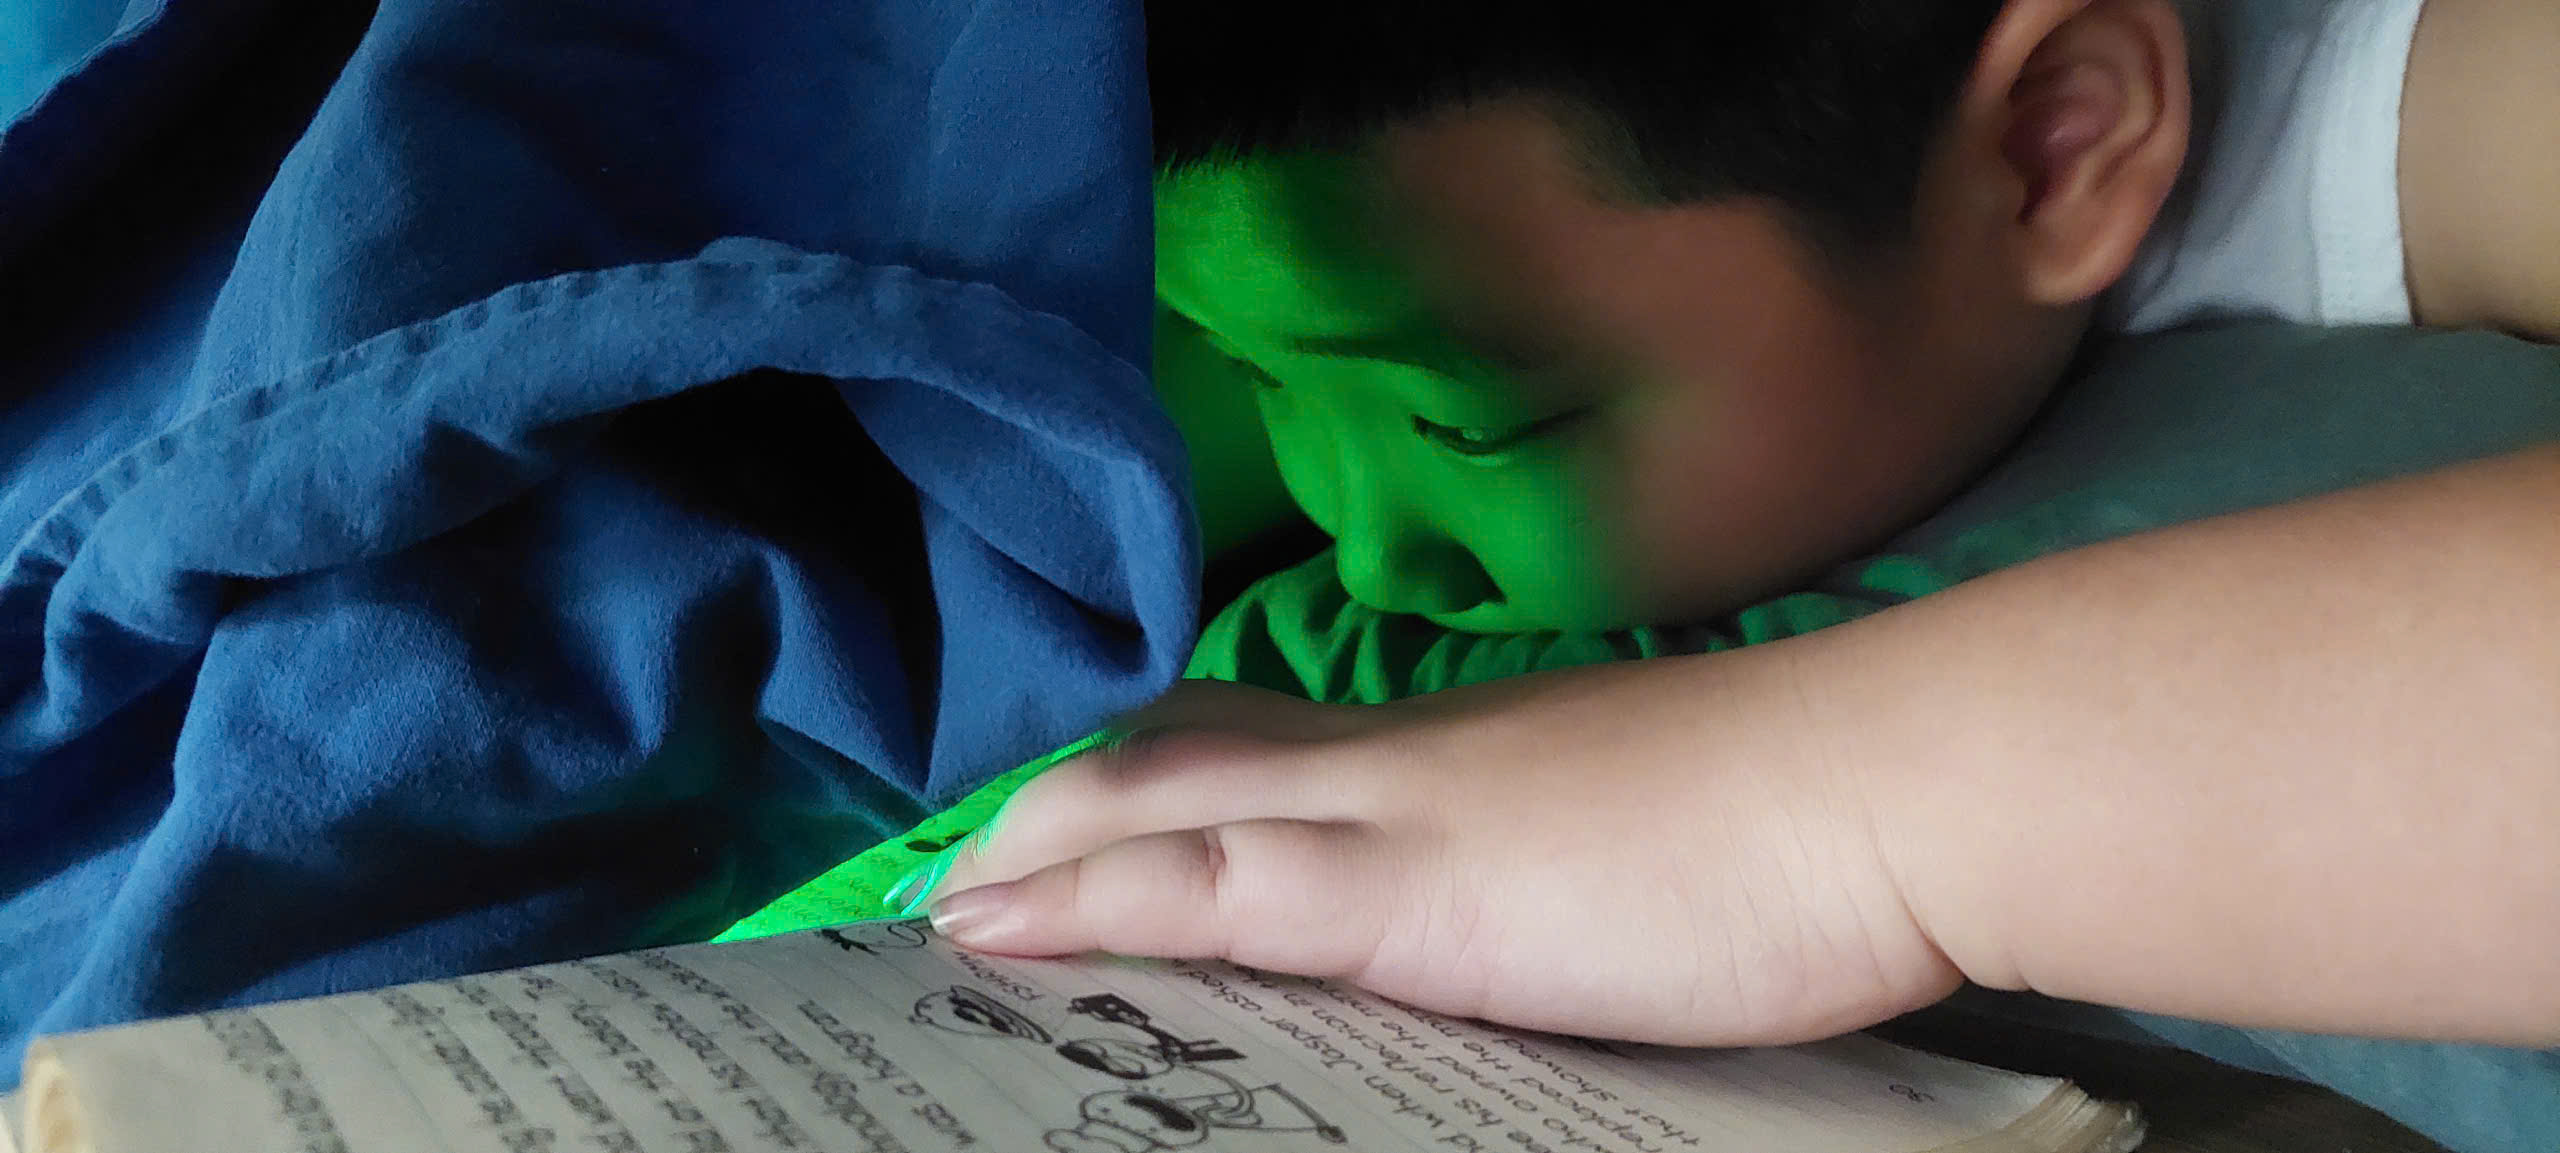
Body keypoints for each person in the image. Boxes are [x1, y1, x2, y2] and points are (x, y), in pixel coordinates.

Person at [912, 0, 2559, 1065]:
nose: (1374, 555)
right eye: (1264, 378)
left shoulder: (2475, 104)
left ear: (2057, 144)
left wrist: (1806, 808)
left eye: (1471, 425)